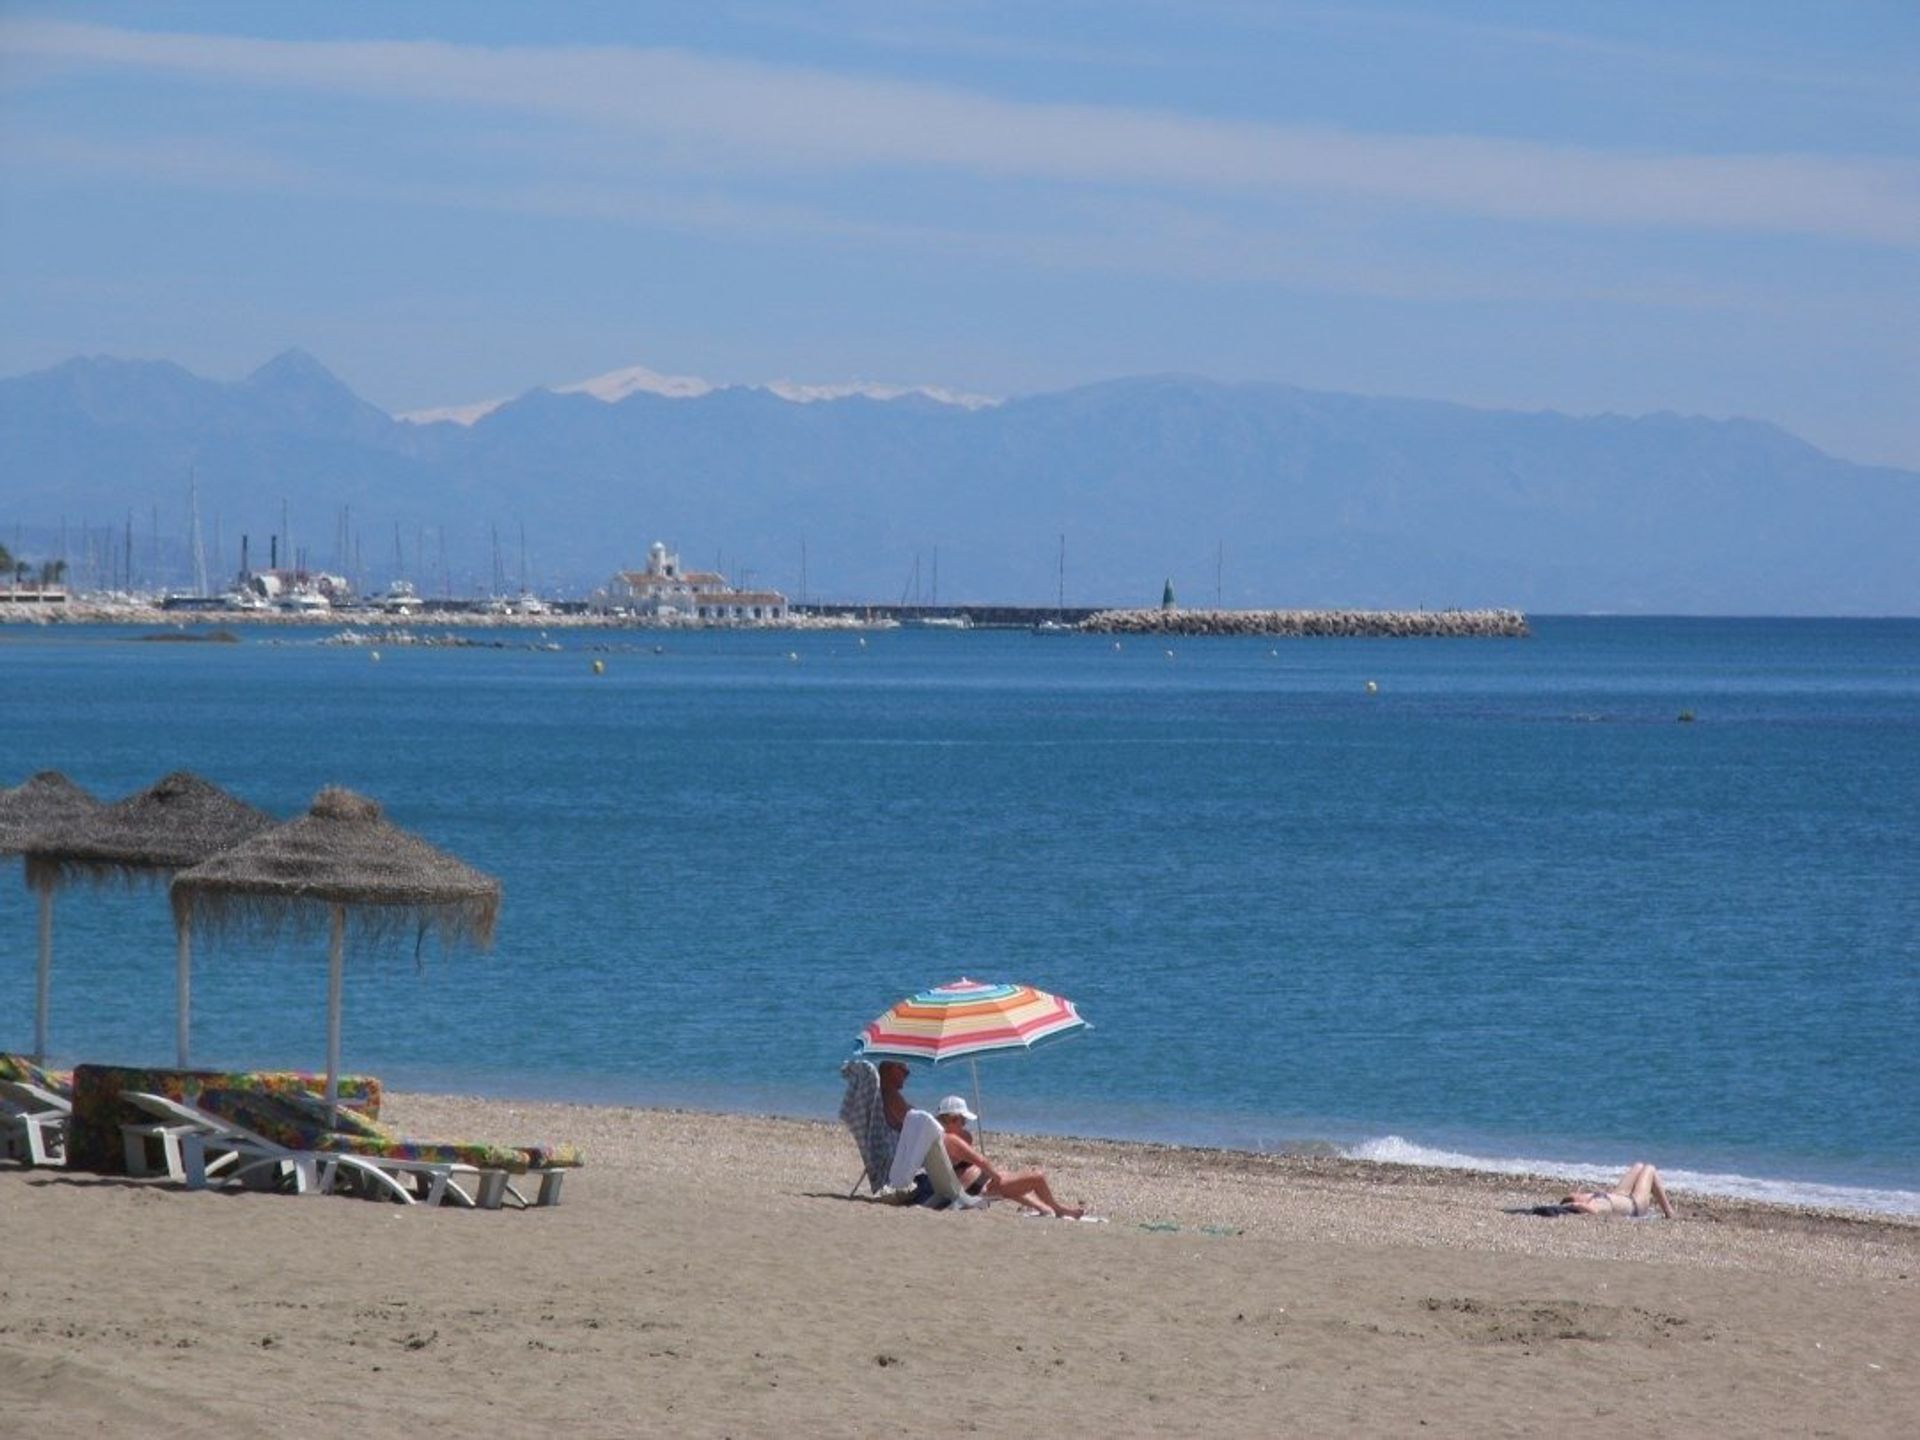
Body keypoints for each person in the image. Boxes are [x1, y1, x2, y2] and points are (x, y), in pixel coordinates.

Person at [934, 1095, 1085, 1219]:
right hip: (976, 1189)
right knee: (1038, 1177)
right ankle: (1058, 1209)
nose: (965, 1124)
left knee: (1008, 1177)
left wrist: (993, 1174)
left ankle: (1042, 1207)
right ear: (953, 1119)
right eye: (963, 1120)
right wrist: (996, 1176)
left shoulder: (939, 1138)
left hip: (973, 1184)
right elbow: (981, 1161)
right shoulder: (952, 1140)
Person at [1542, 1162, 1677, 1218]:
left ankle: (1667, 1208)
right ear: (1577, 1201)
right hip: (1636, 1205)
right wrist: (1573, 1206)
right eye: (1574, 1195)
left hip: (1620, 1195)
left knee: (1638, 1165)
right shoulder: (1593, 1205)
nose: (1577, 1193)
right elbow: (1591, 1211)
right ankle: (1669, 1212)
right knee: (1650, 1169)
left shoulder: (1590, 1198)